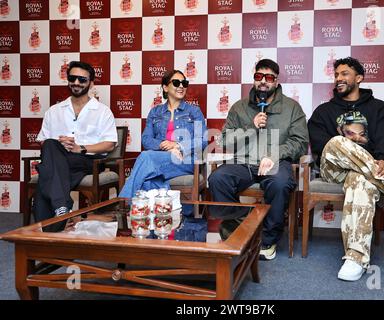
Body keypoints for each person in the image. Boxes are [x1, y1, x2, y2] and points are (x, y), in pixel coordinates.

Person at [308, 57, 384, 281]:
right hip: (333, 170)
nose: (339, 79)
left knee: (360, 181)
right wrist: (364, 158)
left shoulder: (379, 109)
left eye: (344, 74)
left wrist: (382, 160)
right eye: (336, 75)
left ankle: (356, 258)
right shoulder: (323, 111)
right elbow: (321, 146)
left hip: (366, 173)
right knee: (336, 142)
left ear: (359, 78)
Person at [208, 59, 309, 260]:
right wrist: (250, 127)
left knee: (279, 183)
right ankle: (240, 230)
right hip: (244, 162)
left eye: (269, 77)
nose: (263, 81)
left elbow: (300, 142)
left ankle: (268, 240)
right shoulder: (239, 107)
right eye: (258, 76)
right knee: (218, 178)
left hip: (276, 163)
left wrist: (273, 155)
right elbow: (226, 139)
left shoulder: (292, 108)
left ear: (276, 81)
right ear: (254, 78)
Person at [35, 61, 117, 226]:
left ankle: (52, 222)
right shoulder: (54, 111)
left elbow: (110, 144)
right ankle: (62, 210)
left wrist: (81, 148)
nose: (76, 83)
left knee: (47, 172)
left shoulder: (102, 111)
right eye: (73, 78)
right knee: (51, 146)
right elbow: (44, 141)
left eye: (82, 79)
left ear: (91, 83)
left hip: (87, 161)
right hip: (61, 159)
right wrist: (60, 144)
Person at [118, 70, 207, 198]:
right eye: (176, 83)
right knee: (149, 179)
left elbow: (202, 140)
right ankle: (168, 213)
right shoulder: (155, 112)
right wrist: (164, 146)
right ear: (165, 87)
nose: (181, 86)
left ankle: (123, 204)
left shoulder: (194, 111)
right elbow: (146, 139)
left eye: (184, 83)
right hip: (161, 159)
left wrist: (177, 146)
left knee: (146, 157)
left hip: (185, 160)